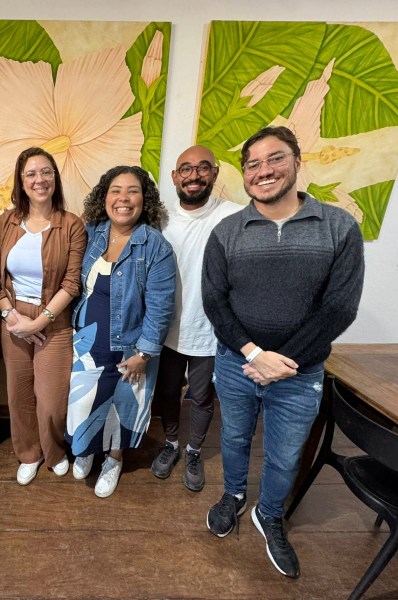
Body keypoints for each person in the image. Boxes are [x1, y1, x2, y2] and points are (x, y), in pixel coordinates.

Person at [202, 126, 364, 578]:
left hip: (300, 371)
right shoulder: (227, 232)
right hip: (236, 364)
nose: (263, 170)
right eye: (252, 164)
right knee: (233, 438)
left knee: (286, 454)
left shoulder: (338, 227)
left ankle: (269, 513)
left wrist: (281, 362)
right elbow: (215, 301)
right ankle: (234, 495)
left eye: (275, 158)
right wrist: (254, 354)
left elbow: (339, 307)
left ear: (296, 161)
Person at [66, 165, 176, 498]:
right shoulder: (92, 233)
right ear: (105, 197)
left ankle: (113, 460)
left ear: (145, 199)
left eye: (133, 191)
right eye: (116, 190)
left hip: (131, 348)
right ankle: (86, 449)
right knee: (84, 403)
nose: (123, 198)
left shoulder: (155, 246)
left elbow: (160, 307)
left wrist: (144, 354)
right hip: (86, 342)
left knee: (122, 408)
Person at [152, 145, 243, 491]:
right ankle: (171, 443)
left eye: (203, 168)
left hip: (209, 330)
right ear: (175, 176)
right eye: (186, 169)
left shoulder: (233, 216)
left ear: (215, 173)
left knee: (202, 396)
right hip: (166, 328)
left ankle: (193, 451)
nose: (194, 176)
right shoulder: (160, 218)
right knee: (168, 391)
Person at [0, 148, 87, 485]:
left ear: (55, 178)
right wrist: (10, 315)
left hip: (55, 320)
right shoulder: (5, 222)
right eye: (31, 173)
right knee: (18, 394)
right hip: (12, 317)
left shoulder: (72, 225)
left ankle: (55, 452)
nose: (39, 179)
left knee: (51, 400)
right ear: (21, 181)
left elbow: (72, 283)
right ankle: (28, 454)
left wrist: (37, 323)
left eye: (46, 172)